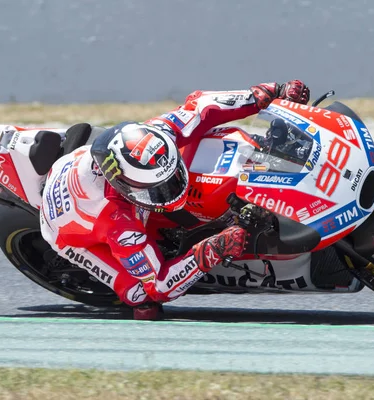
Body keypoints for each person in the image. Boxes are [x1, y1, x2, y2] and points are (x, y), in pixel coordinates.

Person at [39, 80, 310, 319]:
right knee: (141, 297)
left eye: (171, 178)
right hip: (66, 230)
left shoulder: (154, 133)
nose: (173, 189)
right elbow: (160, 284)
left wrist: (268, 93)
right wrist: (215, 248)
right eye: (160, 187)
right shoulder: (118, 224)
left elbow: (201, 106)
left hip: (80, 167)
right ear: (127, 187)